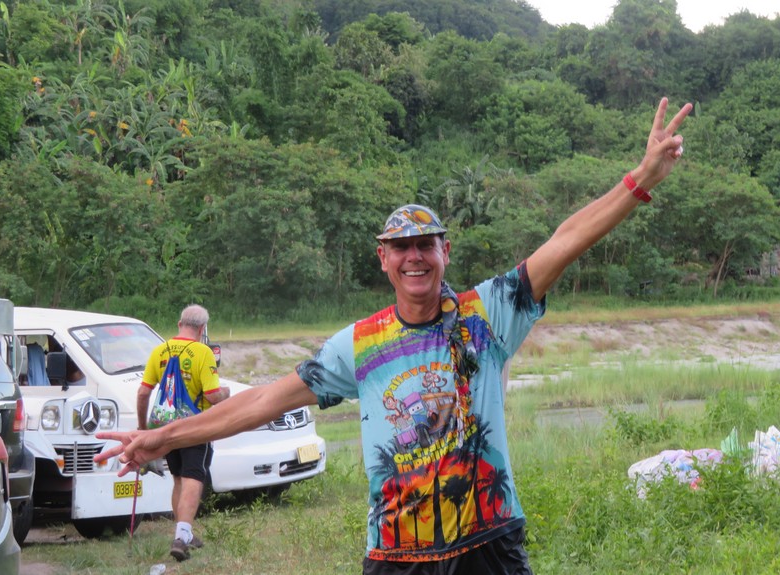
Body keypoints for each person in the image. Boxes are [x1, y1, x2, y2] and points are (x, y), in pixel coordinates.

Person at [97, 97, 691, 573]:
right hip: (397, 554)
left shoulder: (486, 313)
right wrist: (163, 437)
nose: (414, 258)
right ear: (383, 259)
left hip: (489, 541)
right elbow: (259, 402)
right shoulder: (358, 344)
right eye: (400, 248)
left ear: (444, 251)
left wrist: (641, 179)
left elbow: (566, 240)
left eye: (425, 245)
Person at [138, 304, 229, 562]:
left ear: (180, 324)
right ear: (202, 329)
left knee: (178, 478)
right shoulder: (203, 352)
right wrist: (227, 393)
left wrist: (143, 429)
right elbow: (212, 396)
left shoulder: (159, 351)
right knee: (193, 478)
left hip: (167, 428)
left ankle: (183, 533)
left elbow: (143, 392)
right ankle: (181, 537)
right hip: (195, 428)